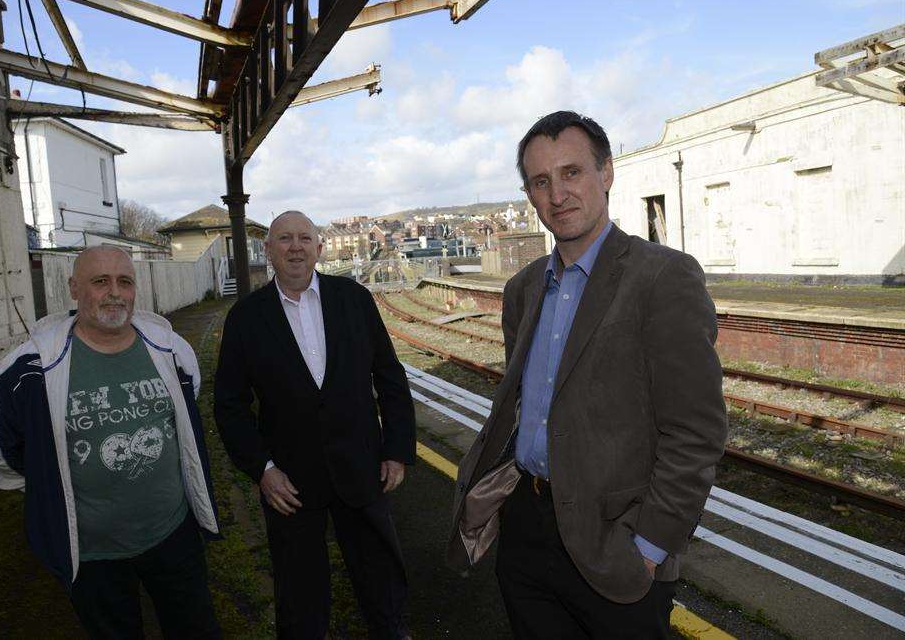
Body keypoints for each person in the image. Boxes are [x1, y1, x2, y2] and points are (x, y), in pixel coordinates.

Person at [446, 111, 728, 638]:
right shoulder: (523, 290)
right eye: (541, 181)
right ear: (529, 194)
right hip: (527, 530)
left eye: (572, 172)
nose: (558, 194)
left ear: (607, 173)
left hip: (615, 542)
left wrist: (647, 549)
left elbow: (696, 433)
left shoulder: (663, 278)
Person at [0, 245, 221, 639]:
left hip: (173, 534)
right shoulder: (30, 367)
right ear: (73, 288)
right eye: (100, 282)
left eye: (125, 281)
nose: (115, 293)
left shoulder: (170, 349)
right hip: (91, 553)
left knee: (196, 628)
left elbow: (187, 411)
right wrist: (44, 481)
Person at [214, 211, 415, 639]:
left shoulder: (354, 299)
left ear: (319, 248)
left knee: (381, 585)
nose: (295, 247)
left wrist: (397, 449)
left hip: (362, 469)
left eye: (305, 238)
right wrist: (263, 470)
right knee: (300, 600)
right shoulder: (246, 318)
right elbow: (230, 405)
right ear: (267, 250)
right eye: (284, 239)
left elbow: (390, 377)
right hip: (290, 482)